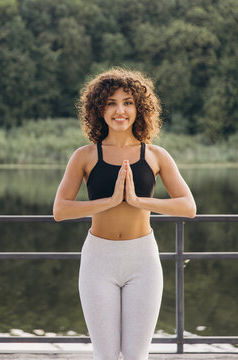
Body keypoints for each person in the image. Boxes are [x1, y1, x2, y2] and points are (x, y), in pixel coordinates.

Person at [53, 68, 196, 359]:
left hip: (142, 259)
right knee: (105, 355)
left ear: (139, 108)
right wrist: (110, 201)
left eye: (128, 102)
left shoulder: (156, 155)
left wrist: (138, 200)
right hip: (98, 261)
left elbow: (188, 206)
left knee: (136, 356)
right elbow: (60, 210)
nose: (120, 110)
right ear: (99, 110)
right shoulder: (85, 155)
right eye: (111, 103)